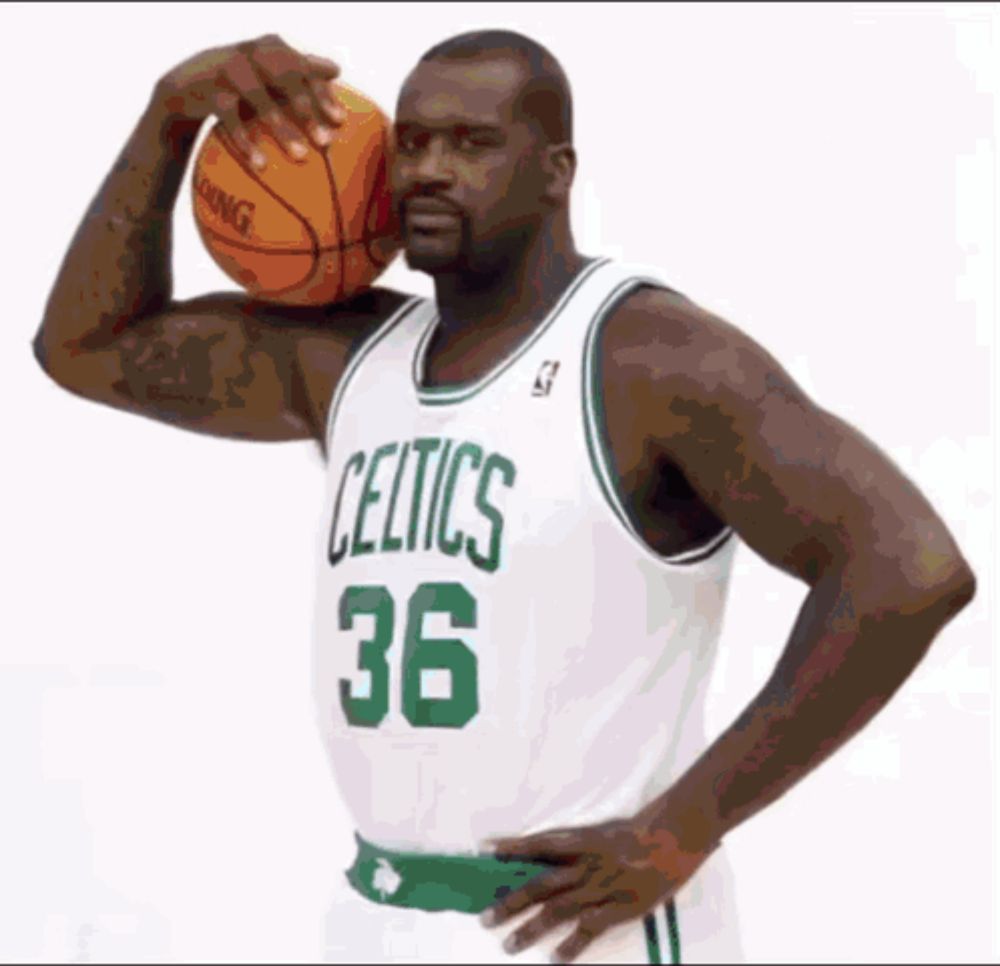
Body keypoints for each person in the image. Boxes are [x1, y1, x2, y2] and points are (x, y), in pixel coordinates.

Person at [32, 28, 976, 966]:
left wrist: (686, 825)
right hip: (379, 913)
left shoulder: (651, 358)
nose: (429, 170)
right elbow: (86, 349)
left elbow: (907, 571)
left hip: (581, 926)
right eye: (411, 141)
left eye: (473, 144)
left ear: (557, 169)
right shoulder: (348, 361)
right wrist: (167, 118)